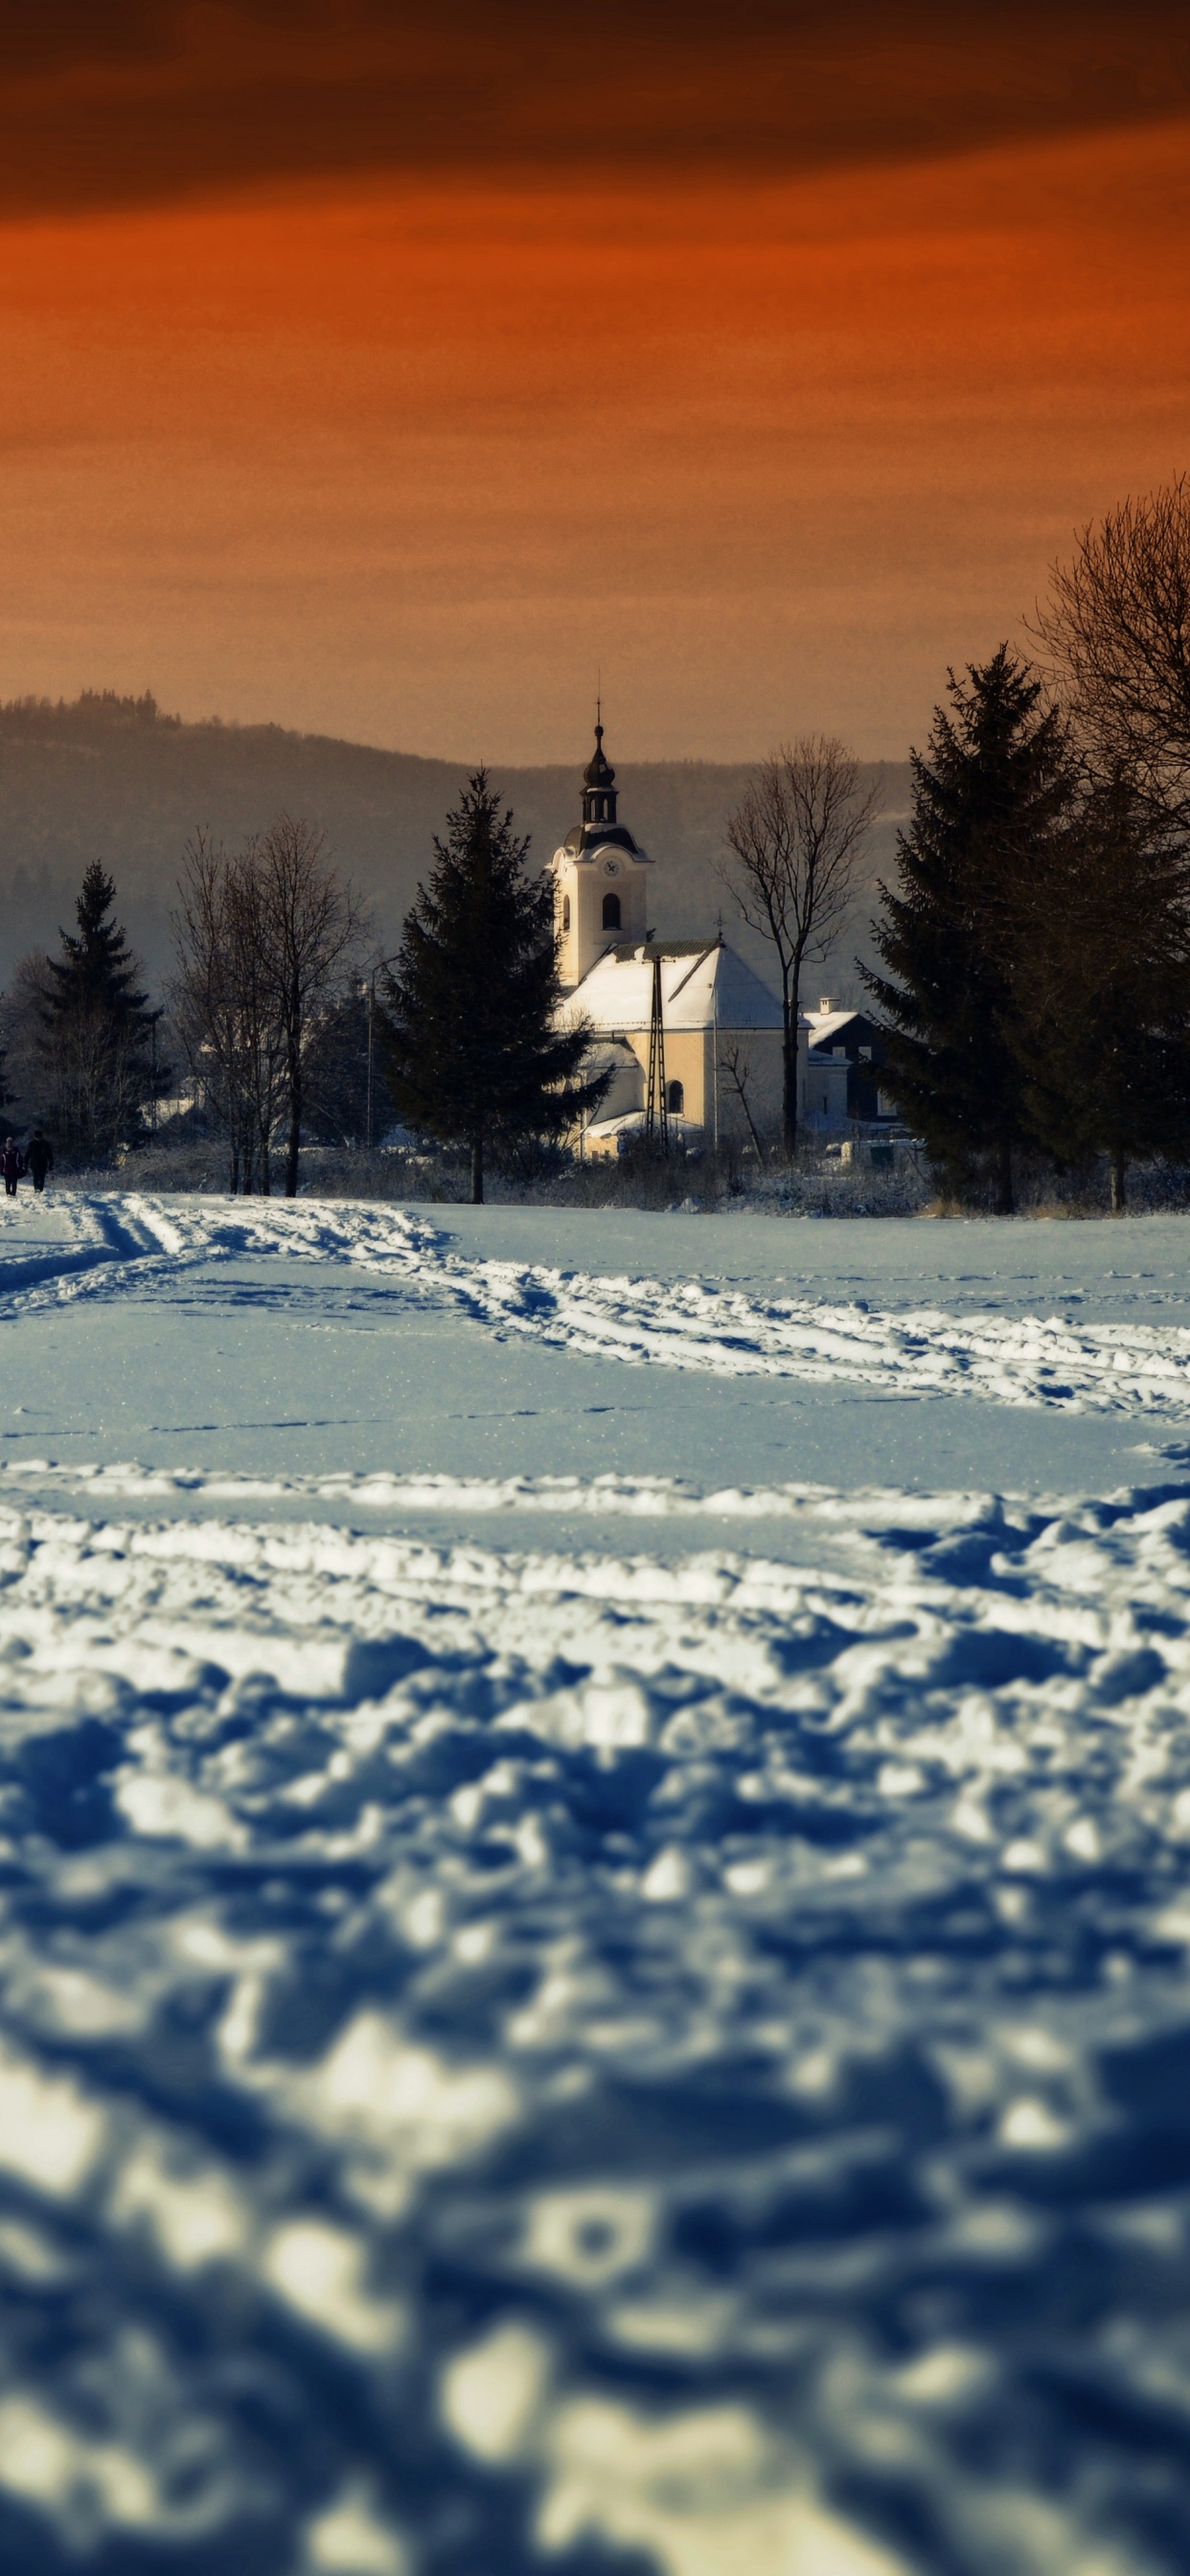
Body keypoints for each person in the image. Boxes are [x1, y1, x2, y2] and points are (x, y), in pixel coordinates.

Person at [24, 1130, 53, 1194]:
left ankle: (40, 1189)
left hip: (43, 1164)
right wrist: (25, 1164)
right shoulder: (31, 1144)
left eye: (39, 1137)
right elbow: (27, 1155)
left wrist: (51, 1164)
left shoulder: (45, 1144)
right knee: (35, 1177)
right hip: (34, 1164)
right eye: (37, 1137)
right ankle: (36, 1189)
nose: (38, 1138)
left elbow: (50, 1155)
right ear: (35, 1137)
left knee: (42, 1178)